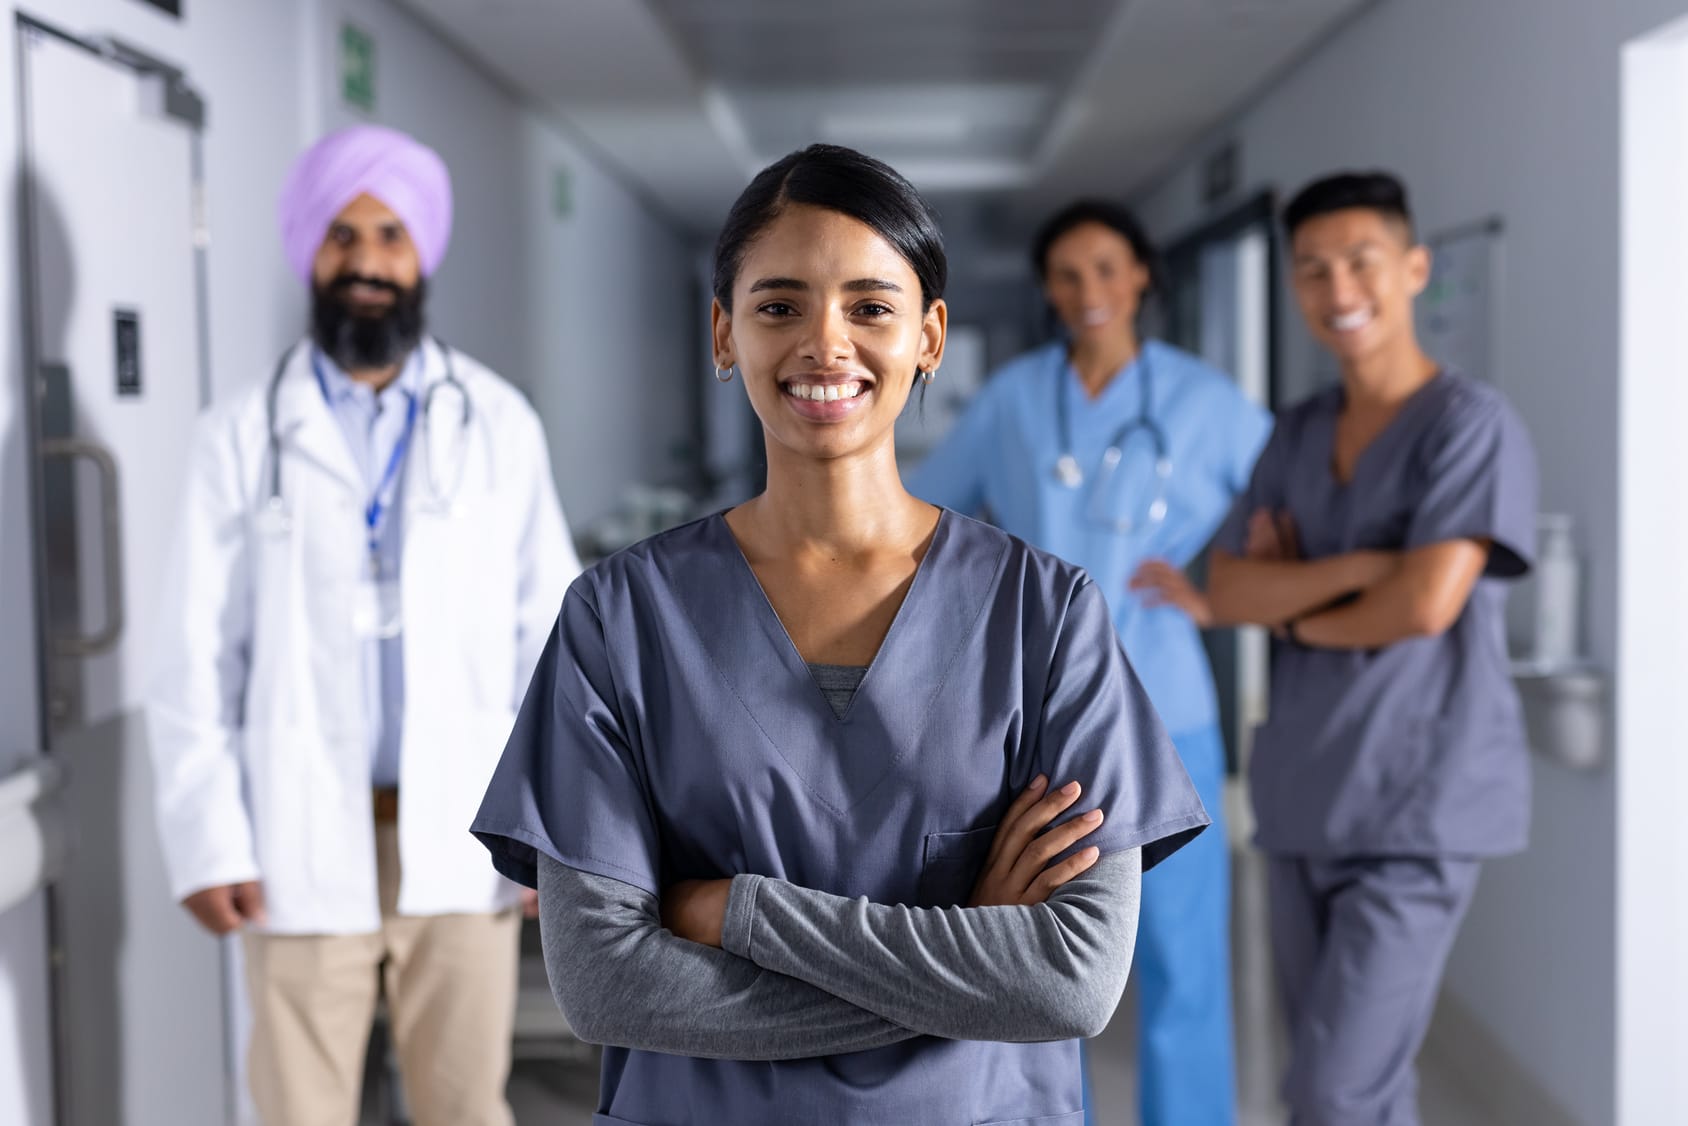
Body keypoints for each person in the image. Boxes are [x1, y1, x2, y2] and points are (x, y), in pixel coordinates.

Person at [471, 144, 1209, 1125]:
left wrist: (730, 912)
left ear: (929, 337)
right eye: (779, 305)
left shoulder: (1045, 617)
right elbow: (607, 988)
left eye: (869, 307)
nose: (826, 343)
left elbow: (1066, 983)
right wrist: (964, 946)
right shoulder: (619, 619)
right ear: (724, 333)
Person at [145, 123, 579, 1126]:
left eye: (388, 234)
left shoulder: (498, 425)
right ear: (310, 252)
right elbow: (194, 655)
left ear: (421, 251)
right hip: (298, 833)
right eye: (342, 236)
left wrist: (549, 831)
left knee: (464, 1106)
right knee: (297, 1108)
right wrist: (208, 839)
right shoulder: (239, 436)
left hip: (462, 835)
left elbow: (549, 644)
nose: (367, 262)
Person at [908, 199, 1270, 1125]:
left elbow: (1284, 508)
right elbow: (924, 513)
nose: (1089, 292)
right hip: (1040, 708)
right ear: (1049, 291)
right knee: (1042, 955)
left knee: (1184, 959)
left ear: (1142, 275)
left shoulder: (1203, 400)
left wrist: (1218, 591)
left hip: (1168, 705)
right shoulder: (1015, 399)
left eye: (1107, 269)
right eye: (1068, 276)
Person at [1205, 171, 1538, 1126]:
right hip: (1303, 794)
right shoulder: (1296, 434)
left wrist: (1294, 603)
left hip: (1418, 803)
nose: (1338, 290)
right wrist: (1365, 568)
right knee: (1345, 1086)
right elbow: (1228, 588)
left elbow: (1427, 605)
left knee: (1333, 1089)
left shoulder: (1469, 425)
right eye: (1311, 270)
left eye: (1361, 262)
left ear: (1416, 268)